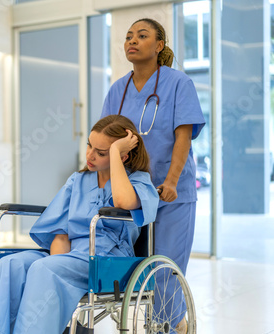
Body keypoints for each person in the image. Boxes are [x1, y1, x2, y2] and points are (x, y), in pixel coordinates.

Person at [0, 115, 159, 334]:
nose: (90, 156)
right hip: (71, 254)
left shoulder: (139, 180)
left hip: (106, 261)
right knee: (11, 264)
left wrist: (114, 152)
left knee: (44, 269)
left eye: (101, 153)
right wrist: (57, 264)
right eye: (89, 146)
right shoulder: (78, 181)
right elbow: (61, 233)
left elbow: (122, 201)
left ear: (122, 156)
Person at [100, 18, 206, 332]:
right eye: (128, 36)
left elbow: (183, 137)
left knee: (162, 272)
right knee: (133, 273)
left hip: (170, 193)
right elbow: (104, 141)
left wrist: (172, 181)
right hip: (132, 195)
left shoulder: (178, 83)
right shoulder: (117, 89)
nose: (132, 40)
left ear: (158, 46)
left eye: (142, 36)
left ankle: (175, 327)